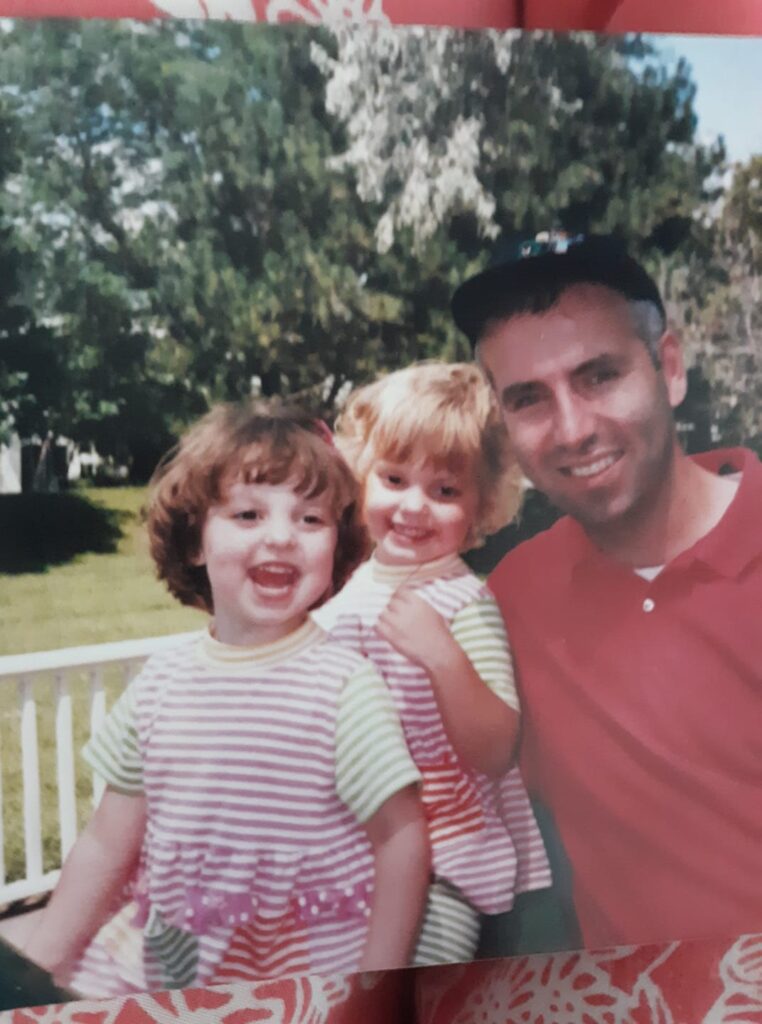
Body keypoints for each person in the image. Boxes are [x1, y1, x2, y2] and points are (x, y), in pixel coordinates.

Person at [24, 400, 430, 995]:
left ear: (336, 549)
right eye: (248, 514)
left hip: (301, 977)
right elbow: (108, 843)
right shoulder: (159, 684)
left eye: (311, 519)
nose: (282, 537)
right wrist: (39, 966)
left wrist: (378, 985)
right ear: (194, 541)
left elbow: (402, 838)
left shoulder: (344, 688)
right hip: (170, 968)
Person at [451, 234, 762, 949]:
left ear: (671, 368)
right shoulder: (511, 599)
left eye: (599, 376)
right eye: (529, 399)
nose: (573, 429)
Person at [315, 362, 551, 964]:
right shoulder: (347, 591)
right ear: (362, 477)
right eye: (394, 479)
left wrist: (444, 658)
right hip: (348, 851)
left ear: (481, 506)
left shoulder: (463, 604)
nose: (414, 507)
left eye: (445, 491)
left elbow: (497, 750)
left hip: (445, 859)